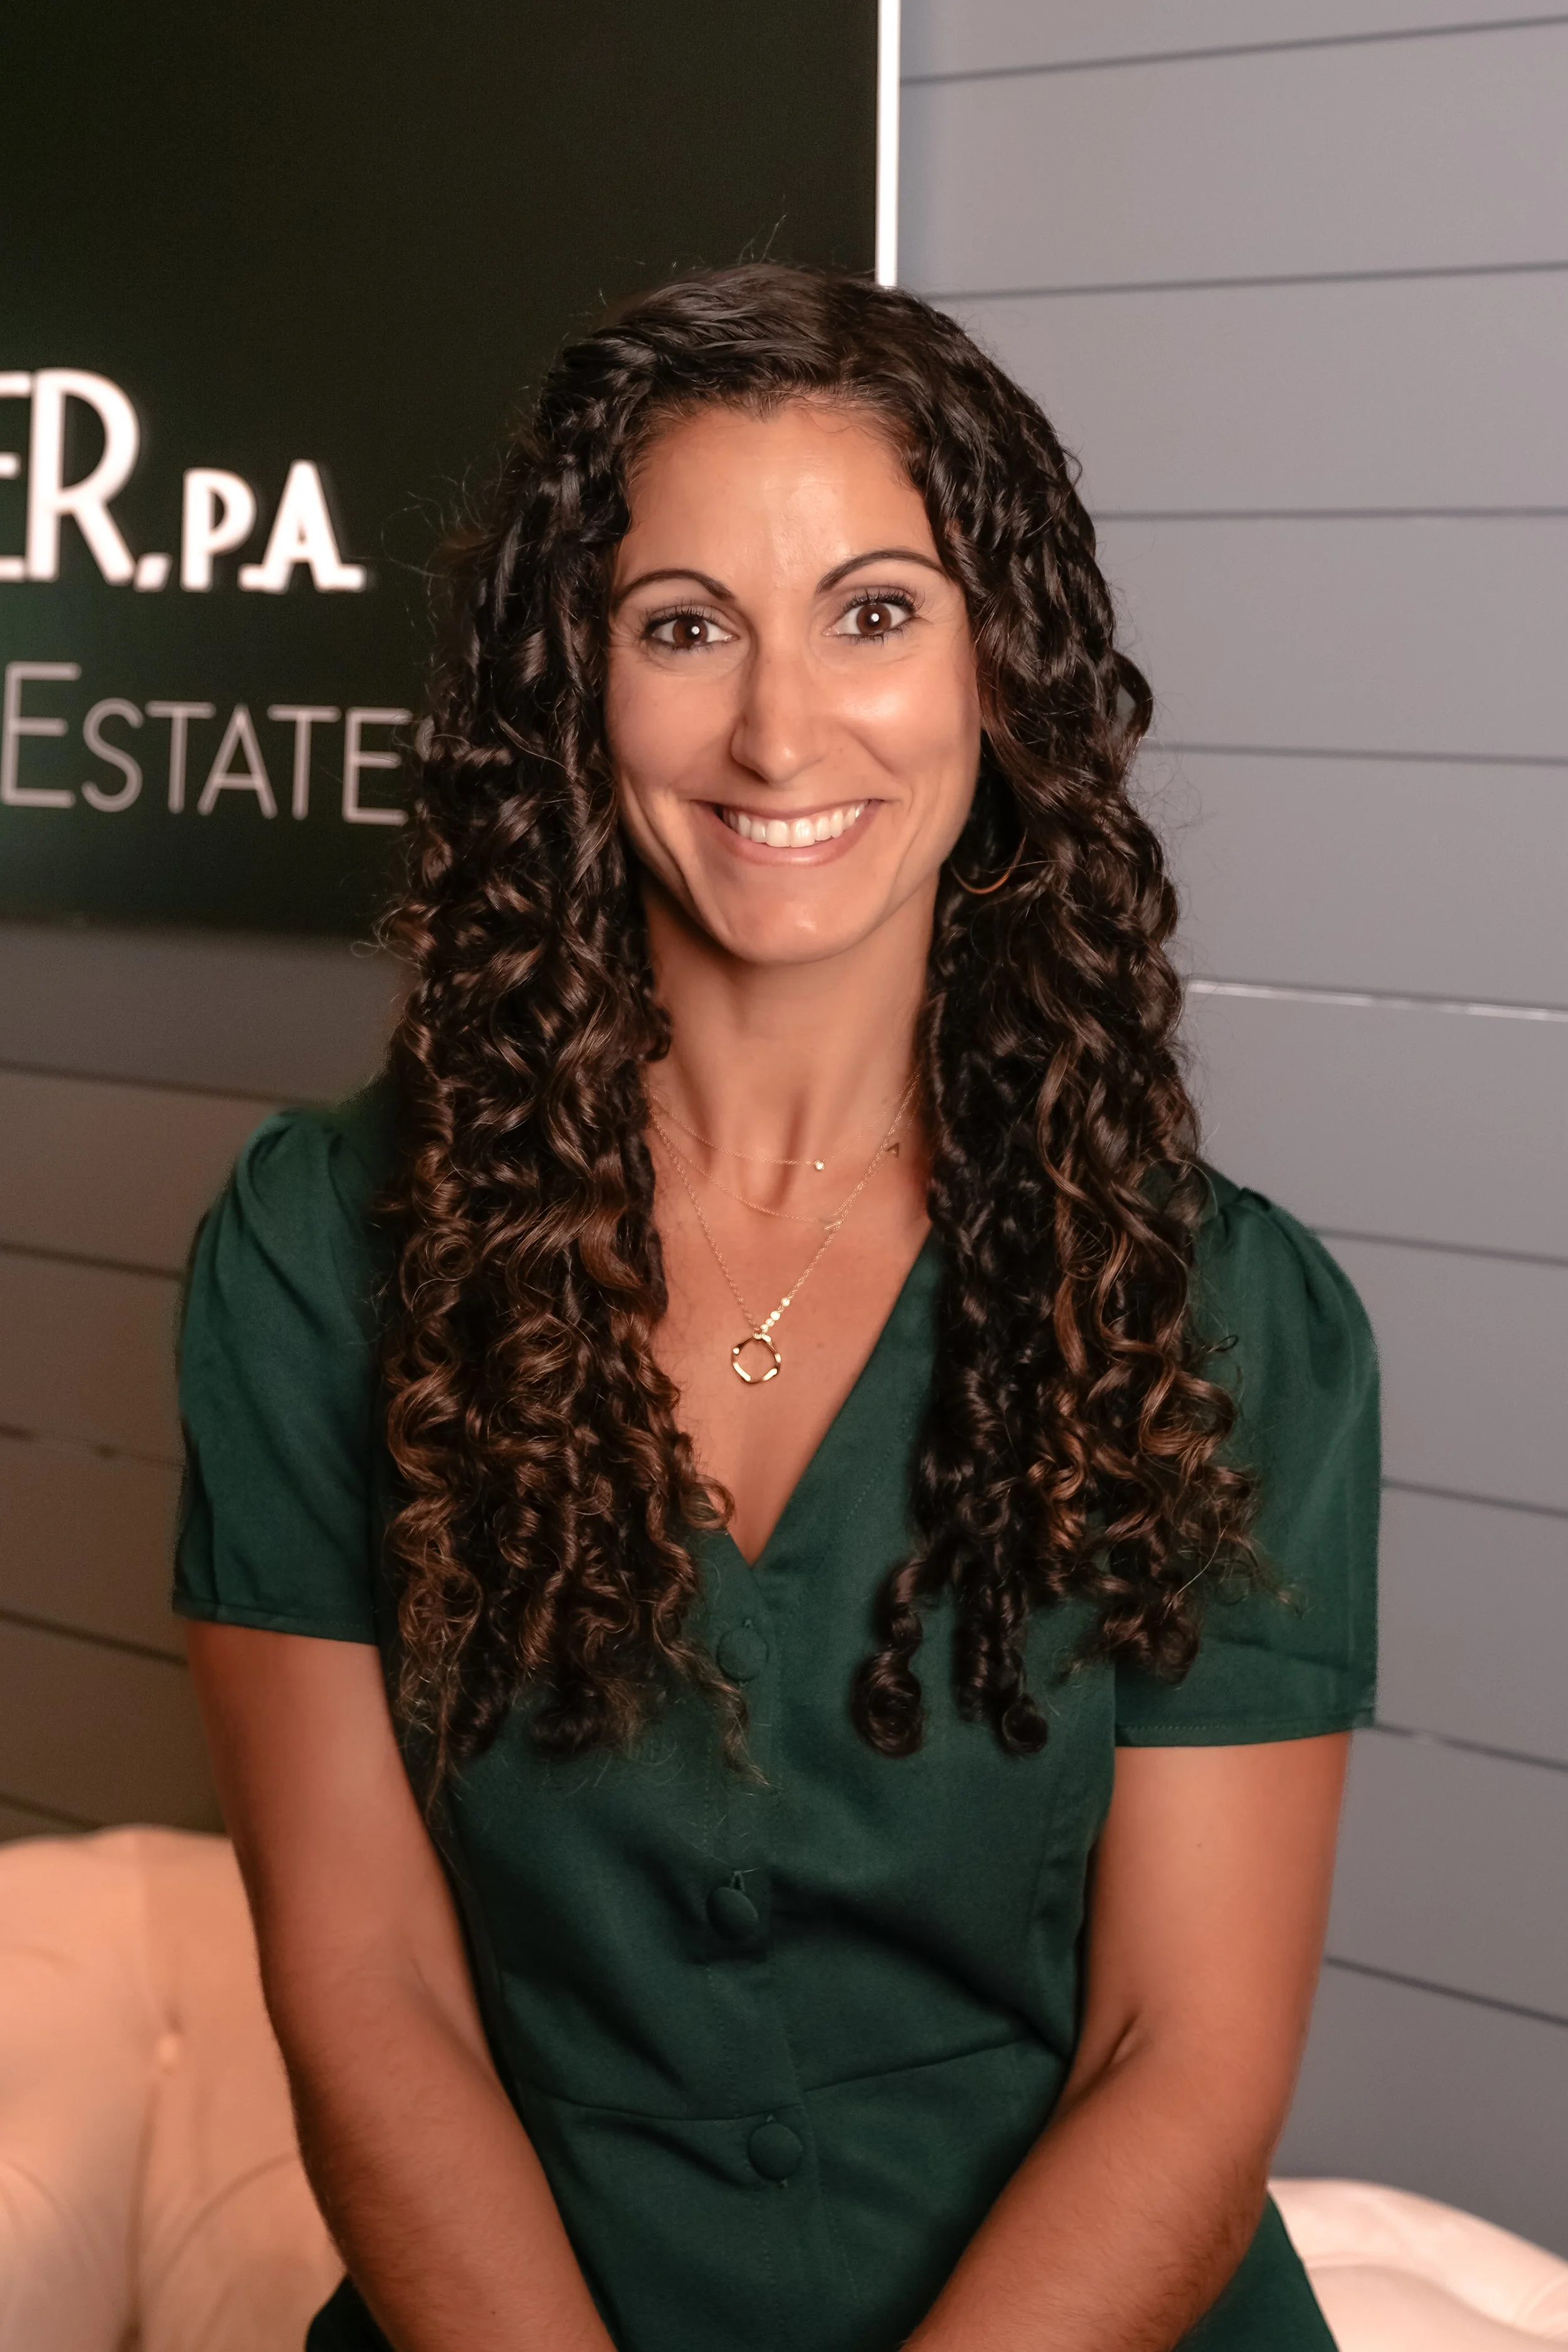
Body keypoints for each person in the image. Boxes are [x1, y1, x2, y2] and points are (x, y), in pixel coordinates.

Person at [177, 265, 1379, 2352]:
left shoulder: (1228, 1309)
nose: (776, 727)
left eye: (875, 609)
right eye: (681, 626)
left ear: (996, 669)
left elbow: (1176, 2061)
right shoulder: (318, 1240)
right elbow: (364, 1982)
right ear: (578, 688)